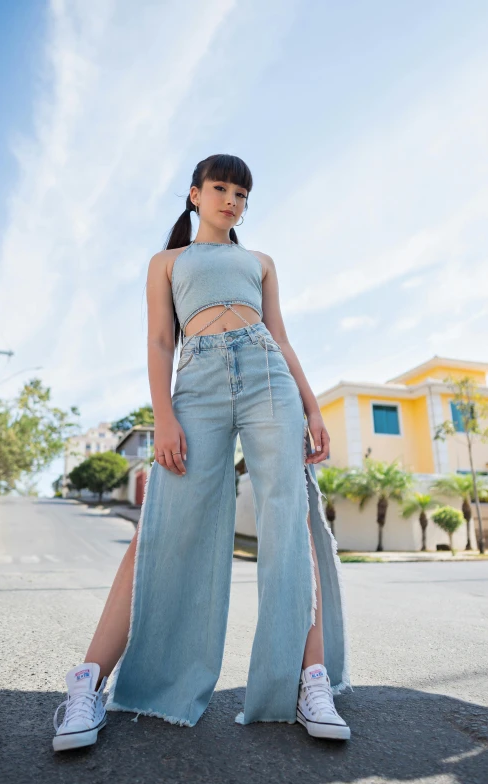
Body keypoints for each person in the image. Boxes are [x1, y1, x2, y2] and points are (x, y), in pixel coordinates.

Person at [52, 154, 353, 752]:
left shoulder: (261, 263)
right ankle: (87, 683)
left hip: (268, 376)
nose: (232, 200)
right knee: (160, 527)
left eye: (241, 193)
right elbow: (161, 340)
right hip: (198, 387)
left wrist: (314, 408)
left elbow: (282, 338)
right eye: (220, 188)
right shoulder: (166, 263)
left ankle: (308, 678)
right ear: (194, 194)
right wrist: (163, 416)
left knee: (289, 521)